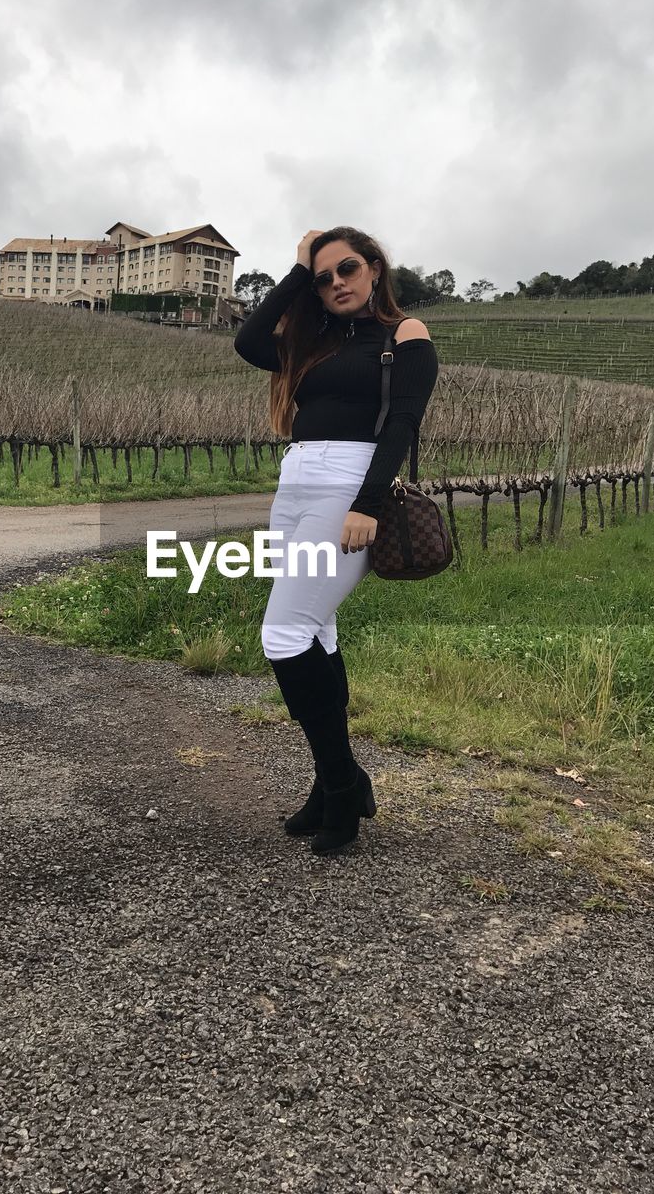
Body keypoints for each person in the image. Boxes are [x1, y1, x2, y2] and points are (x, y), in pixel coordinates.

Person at [233, 227, 439, 855]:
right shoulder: (313, 341)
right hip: (293, 489)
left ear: (375, 268)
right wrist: (298, 271)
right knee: (316, 630)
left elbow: (403, 422)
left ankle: (343, 786)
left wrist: (366, 504)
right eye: (323, 277)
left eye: (346, 268)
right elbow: (246, 341)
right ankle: (334, 785)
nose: (336, 283)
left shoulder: (404, 335)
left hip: (347, 491)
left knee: (285, 633)